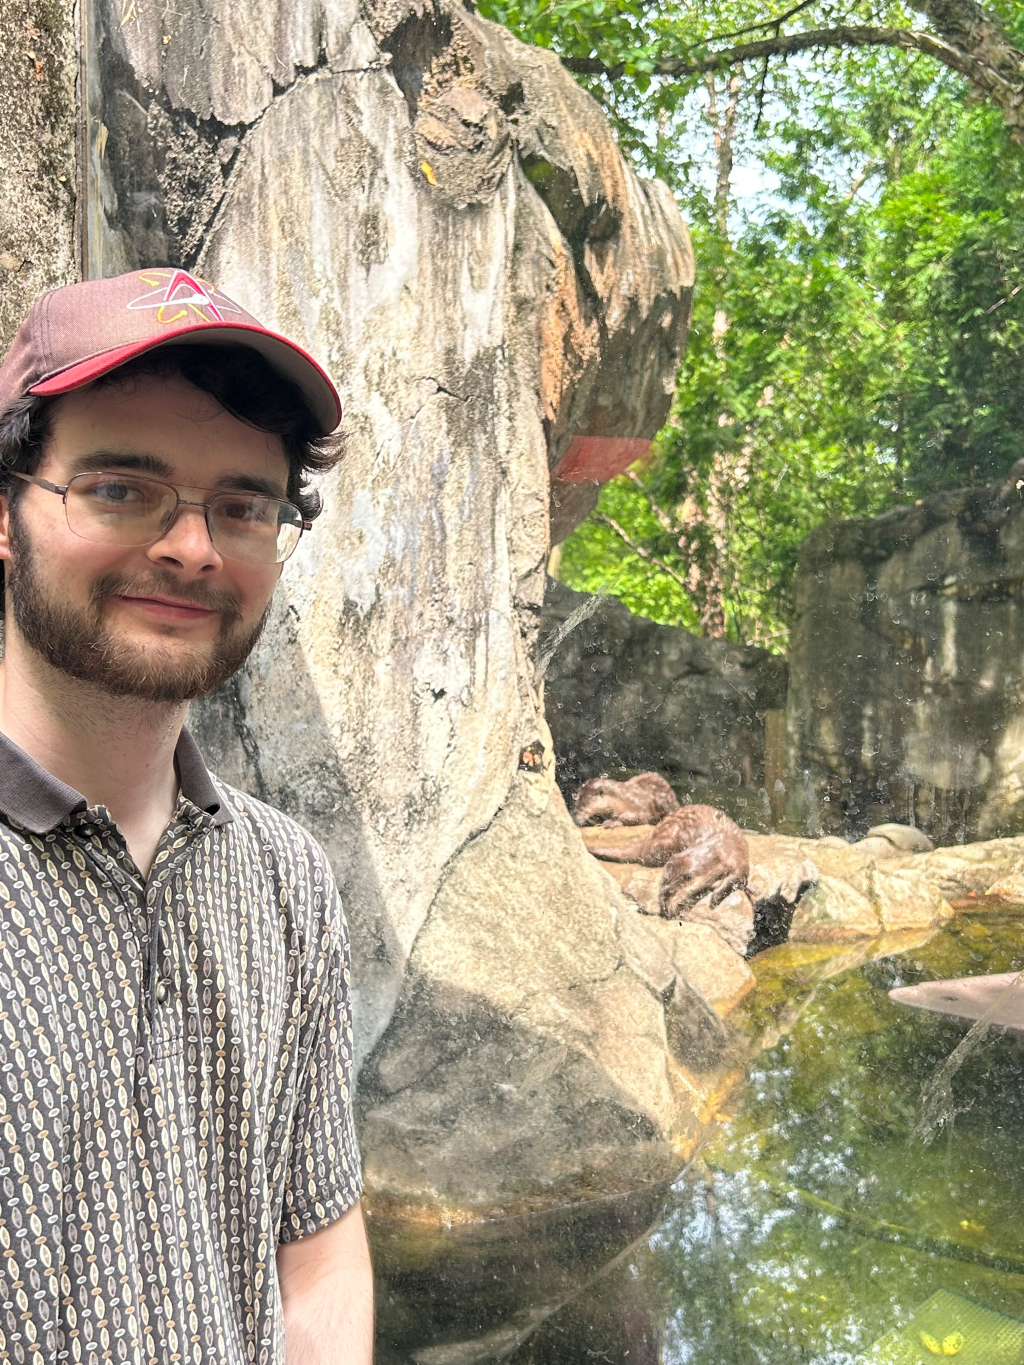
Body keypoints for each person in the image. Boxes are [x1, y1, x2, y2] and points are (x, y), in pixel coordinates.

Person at [0, 269, 373, 1363]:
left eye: (244, 506)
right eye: (121, 488)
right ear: (8, 517)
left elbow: (318, 1254)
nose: (193, 549)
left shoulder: (287, 879)